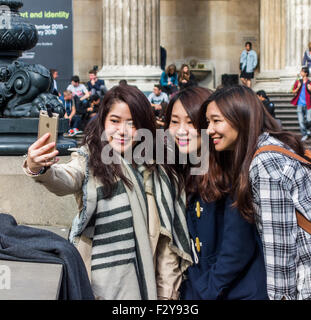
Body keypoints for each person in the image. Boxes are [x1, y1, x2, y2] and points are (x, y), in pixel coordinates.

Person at [23, 85, 192, 300]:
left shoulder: (161, 170)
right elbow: (65, 178)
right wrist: (38, 166)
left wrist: (167, 296)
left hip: (146, 287)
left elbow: (167, 249)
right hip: (95, 286)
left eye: (132, 123)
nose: (122, 130)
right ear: (103, 121)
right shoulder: (89, 159)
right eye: (115, 121)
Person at [202, 85, 311, 300]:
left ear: (240, 116)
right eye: (208, 122)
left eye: (216, 121)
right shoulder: (272, 145)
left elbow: (280, 252)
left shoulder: (263, 162)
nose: (209, 130)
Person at [164, 87, 269, 300]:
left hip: (237, 291)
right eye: (174, 122)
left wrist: (206, 291)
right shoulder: (183, 168)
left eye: (191, 122)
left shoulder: (231, 170)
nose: (181, 130)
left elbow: (236, 248)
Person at [291, 66, 311, 141]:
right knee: (301, 121)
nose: (300, 73)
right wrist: (298, 87)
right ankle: (305, 134)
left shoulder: (310, 82)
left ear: (306, 73)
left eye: (302, 71)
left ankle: (307, 130)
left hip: (308, 104)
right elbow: (293, 91)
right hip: (300, 104)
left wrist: (310, 89)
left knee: (309, 120)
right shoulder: (298, 82)